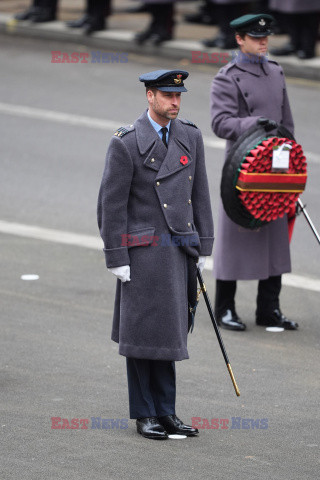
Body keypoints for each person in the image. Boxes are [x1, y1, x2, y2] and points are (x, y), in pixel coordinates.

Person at [97, 69, 214, 439]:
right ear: (150, 96)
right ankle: (145, 413)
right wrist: (117, 255)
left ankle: (167, 411)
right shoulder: (126, 142)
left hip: (180, 249)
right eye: (167, 96)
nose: (175, 102)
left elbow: (202, 196)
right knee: (142, 333)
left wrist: (205, 244)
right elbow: (111, 205)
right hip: (144, 252)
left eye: (179, 96)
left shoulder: (190, 136)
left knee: (170, 334)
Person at [210, 14, 299, 331]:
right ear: (239, 39)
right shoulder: (227, 77)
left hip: (275, 165)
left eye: (266, 37)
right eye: (255, 37)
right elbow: (221, 123)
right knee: (235, 238)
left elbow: (286, 123)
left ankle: (269, 309)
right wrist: (255, 123)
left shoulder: (276, 71)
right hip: (242, 168)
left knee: (275, 239)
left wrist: (293, 169)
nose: (263, 42)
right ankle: (224, 308)